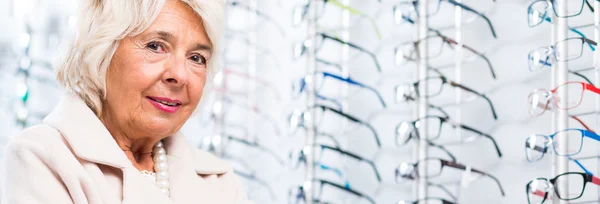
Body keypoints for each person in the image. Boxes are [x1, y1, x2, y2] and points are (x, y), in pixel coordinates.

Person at [1, 0, 251, 203]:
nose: (180, 75)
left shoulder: (220, 182)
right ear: (101, 51)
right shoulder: (41, 157)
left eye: (197, 58)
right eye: (156, 46)